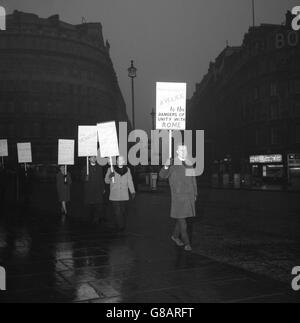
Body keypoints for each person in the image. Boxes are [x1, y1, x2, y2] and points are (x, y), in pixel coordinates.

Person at [159, 145, 198, 252]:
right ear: (176, 151)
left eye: (185, 150)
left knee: (181, 220)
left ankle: (175, 236)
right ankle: (187, 243)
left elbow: (193, 180)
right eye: (181, 150)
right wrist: (166, 166)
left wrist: (195, 193)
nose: (183, 151)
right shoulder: (173, 164)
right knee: (183, 224)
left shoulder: (189, 164)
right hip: (178, 199)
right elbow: (162, 175)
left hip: (189, 197)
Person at [105, 156, 135, 232]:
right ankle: (121, 226)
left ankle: (118, 223)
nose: (120, 161)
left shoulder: (128, 170)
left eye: (122, 160)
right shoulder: (111, 169)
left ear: (124, 161)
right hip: (114, 195)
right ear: (117, 161)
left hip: (124, 195)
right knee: (117, 211)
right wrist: (110, 176)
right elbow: (106, 181)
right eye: (119, 160)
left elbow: (130, 181)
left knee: (123, 211)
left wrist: (132, 191)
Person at [82, 156, 105, 224]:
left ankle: (96, 219)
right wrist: (85, 177)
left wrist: (103, 188)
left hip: (98, 189)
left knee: (99, 205)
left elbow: (101, 178)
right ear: (89, 159)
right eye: (92, 157)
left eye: (94, 157)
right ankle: (90, 219)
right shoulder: (86, 168)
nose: (93, 159)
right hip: (89, 190)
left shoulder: (99, 167)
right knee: (90, 206)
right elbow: (82, 178)